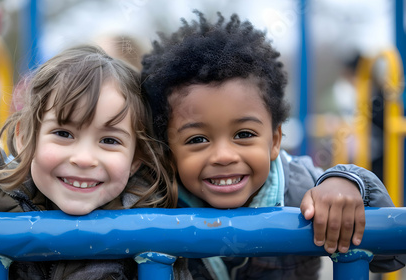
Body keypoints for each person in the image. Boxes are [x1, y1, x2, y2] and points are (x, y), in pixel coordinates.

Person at [141, 10, 405, 279]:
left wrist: (348, 186)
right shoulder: (157, 202)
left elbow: (392, 256)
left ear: (275, 140)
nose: (223, 155)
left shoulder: (304, 193)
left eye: (243, 134)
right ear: (168, 152)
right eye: (198, 139)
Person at [0, 45, 190, 279]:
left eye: (109, 140)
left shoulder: (152, 218)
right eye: (63, 133)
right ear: (25, 138)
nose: (83, 159)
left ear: (136, 159)